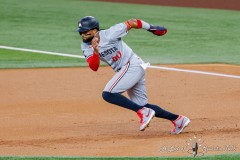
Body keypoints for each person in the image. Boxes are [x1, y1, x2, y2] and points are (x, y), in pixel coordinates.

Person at [77, 16, 190, 134]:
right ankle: (178, 120)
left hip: (132, 65)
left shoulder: (110, 33)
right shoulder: (85, 46)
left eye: (85, 31)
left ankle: (143, 112)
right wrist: (95, 51)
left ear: (95, 30)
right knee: (143, 105)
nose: (83, 34)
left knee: (108, 93)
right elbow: (94, 67)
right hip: (130, 69)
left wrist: (152, 28)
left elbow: (132, 22)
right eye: (81, 32)